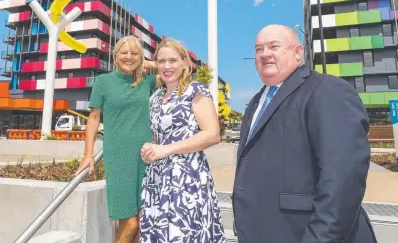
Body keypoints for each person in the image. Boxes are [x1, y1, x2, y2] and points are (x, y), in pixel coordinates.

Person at [233, 25, 378, 243]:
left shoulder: (326, 89)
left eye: (274, 46)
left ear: (298, 52)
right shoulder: (255, 102)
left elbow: (342, 178)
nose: (264, 54)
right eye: (258, 49)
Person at [140, 38, 226, 243]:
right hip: (158, 179)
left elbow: (212, 134)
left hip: (187, 180)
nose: (167, 66)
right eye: (161, 61)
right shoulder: (156, 97)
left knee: (185, 233)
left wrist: (165, 150)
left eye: (173, 60)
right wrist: (149, 149)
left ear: (184, 63)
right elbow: (157, 137)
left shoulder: (195, 90)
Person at [75, 36, 158, 243]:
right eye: (124, 52)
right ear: (115, 55)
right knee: (131, 225)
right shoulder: (103, 81)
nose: (128, 57)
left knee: (142, 224)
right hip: (119, 157)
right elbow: (93, 119)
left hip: (146, 157)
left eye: (134, 53)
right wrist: (88, 154)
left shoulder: (147, 82)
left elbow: (181, 69)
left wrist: (146, 63)